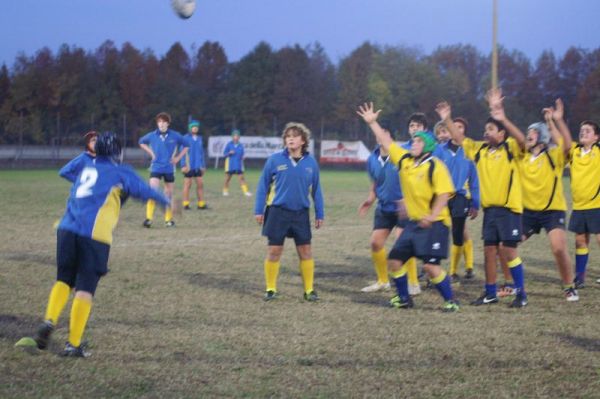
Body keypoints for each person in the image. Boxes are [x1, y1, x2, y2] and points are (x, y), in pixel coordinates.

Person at [15, 132, 171, 357]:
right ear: (117, 152)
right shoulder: (119, 171)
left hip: (66, 229)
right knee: (85, 288)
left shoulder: (85, 167)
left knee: (64, 280)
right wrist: (166, 202)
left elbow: (70, 175)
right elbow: (143, 190)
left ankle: (49, 321)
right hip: (94, 235)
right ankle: (73, 345)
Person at [357, 102, 459, 312]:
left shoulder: (435, 166)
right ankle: (404, 298)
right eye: (413, 140)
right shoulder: (405, 161)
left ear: (428, 146)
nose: (413, 143)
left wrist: (431, 216)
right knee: (394, 261)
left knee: (430, 267)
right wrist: (373, 122)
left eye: (418, 141)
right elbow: (387, 141)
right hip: (414, 223)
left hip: (436, 224)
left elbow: (443, 194)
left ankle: (451, 301)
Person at [436, 91, 528, 308]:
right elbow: (459, 139)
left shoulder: (511, 149)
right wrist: (447, 118)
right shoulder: (480, 150)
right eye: (485, 129)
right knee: (489, 252)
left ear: (502, 134)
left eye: (490, 129)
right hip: (491, 212)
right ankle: (490, 292)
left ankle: (521, 293)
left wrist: (503, 117)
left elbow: (523, 140)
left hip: (509, 210)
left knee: (509, 251)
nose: (486, 133)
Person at [254, 122, 324, 302]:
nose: (290, 138)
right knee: (274, 250)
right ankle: (270, 289)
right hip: (277, 212)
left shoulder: (311, 163)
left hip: (301, 213)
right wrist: (258, 210)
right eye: (287, 136)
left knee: (306, 251)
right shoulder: (275, 160)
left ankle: (309, 290)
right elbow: (263, 186)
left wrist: (320, 213)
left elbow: (316, 190)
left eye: (294, 135)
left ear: (303, 141)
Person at [359, 124, 421, 294]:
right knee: (375, 242)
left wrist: (410, 200)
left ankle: (413, 283)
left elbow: (414, 178)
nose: (381, 136)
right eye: (379, 134)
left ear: (391, 138)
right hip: (384, 207)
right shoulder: (372, 159)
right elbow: (375, 182)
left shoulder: (401, 155)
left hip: (404, 208)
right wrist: (370, 199)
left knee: (403, 245)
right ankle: (383, 281)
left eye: (384, 132)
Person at [434, 119, 480, 282]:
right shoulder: (439, 150)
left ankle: (454, 271)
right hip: (441, 197)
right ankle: (434, 271)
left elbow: (474, 180)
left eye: (460, 127)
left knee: (458, 234)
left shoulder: (469, 152)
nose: (456, 130)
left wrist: (475, 203)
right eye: (454, 127)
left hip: (460, 197)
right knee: (437, 233)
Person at [566, 117, 600, 287]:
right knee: (580, 241)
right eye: (582, 130)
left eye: (588, 131)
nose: (583, 132)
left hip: (597, 205)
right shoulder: (574, 151)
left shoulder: (599, 152)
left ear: (596, 137)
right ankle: (580, 278)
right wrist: (555, 121)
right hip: (579, 206)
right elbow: (562, 140)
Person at [139, 112, 188, 227]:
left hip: (169, 169)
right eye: (159, 122)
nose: (161, 124)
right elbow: (141, 142)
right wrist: (151, 153)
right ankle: (148, 219)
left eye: (163, 122)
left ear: (168, 123)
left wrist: (177, 158)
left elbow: (186, 145)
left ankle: (168, 220)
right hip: (156, 167)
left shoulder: (175, 135)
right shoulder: (152, 135)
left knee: (168, 194)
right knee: (153, 191)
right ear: (157, 123)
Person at [180, 120, 207, 210]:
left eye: (196, 127)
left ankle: (201, 204)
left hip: (198, 166)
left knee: (200, 184)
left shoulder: (199, 138)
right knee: (188, 184)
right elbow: (182, 152)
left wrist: (203, 165)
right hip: (189, 166)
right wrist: (183, 165)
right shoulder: (185, 138)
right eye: (193, 127)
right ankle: (186, 204)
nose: (195, 128)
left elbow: (201, 153)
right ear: (190, 128)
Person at [222, 129, 252, 197]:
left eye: (237, 136)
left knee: (241, 178)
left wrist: (243, 157)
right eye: (234, 136)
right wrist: (229, 153)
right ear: (232, 137)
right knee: (227, 179)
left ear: (239, 137)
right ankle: (225, 191)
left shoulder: (241, 145)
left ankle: (246, 192)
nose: (236, 137)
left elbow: (242, 154)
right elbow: (224, 154)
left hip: (238, 165)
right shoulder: (229, 145)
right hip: (230, 165)